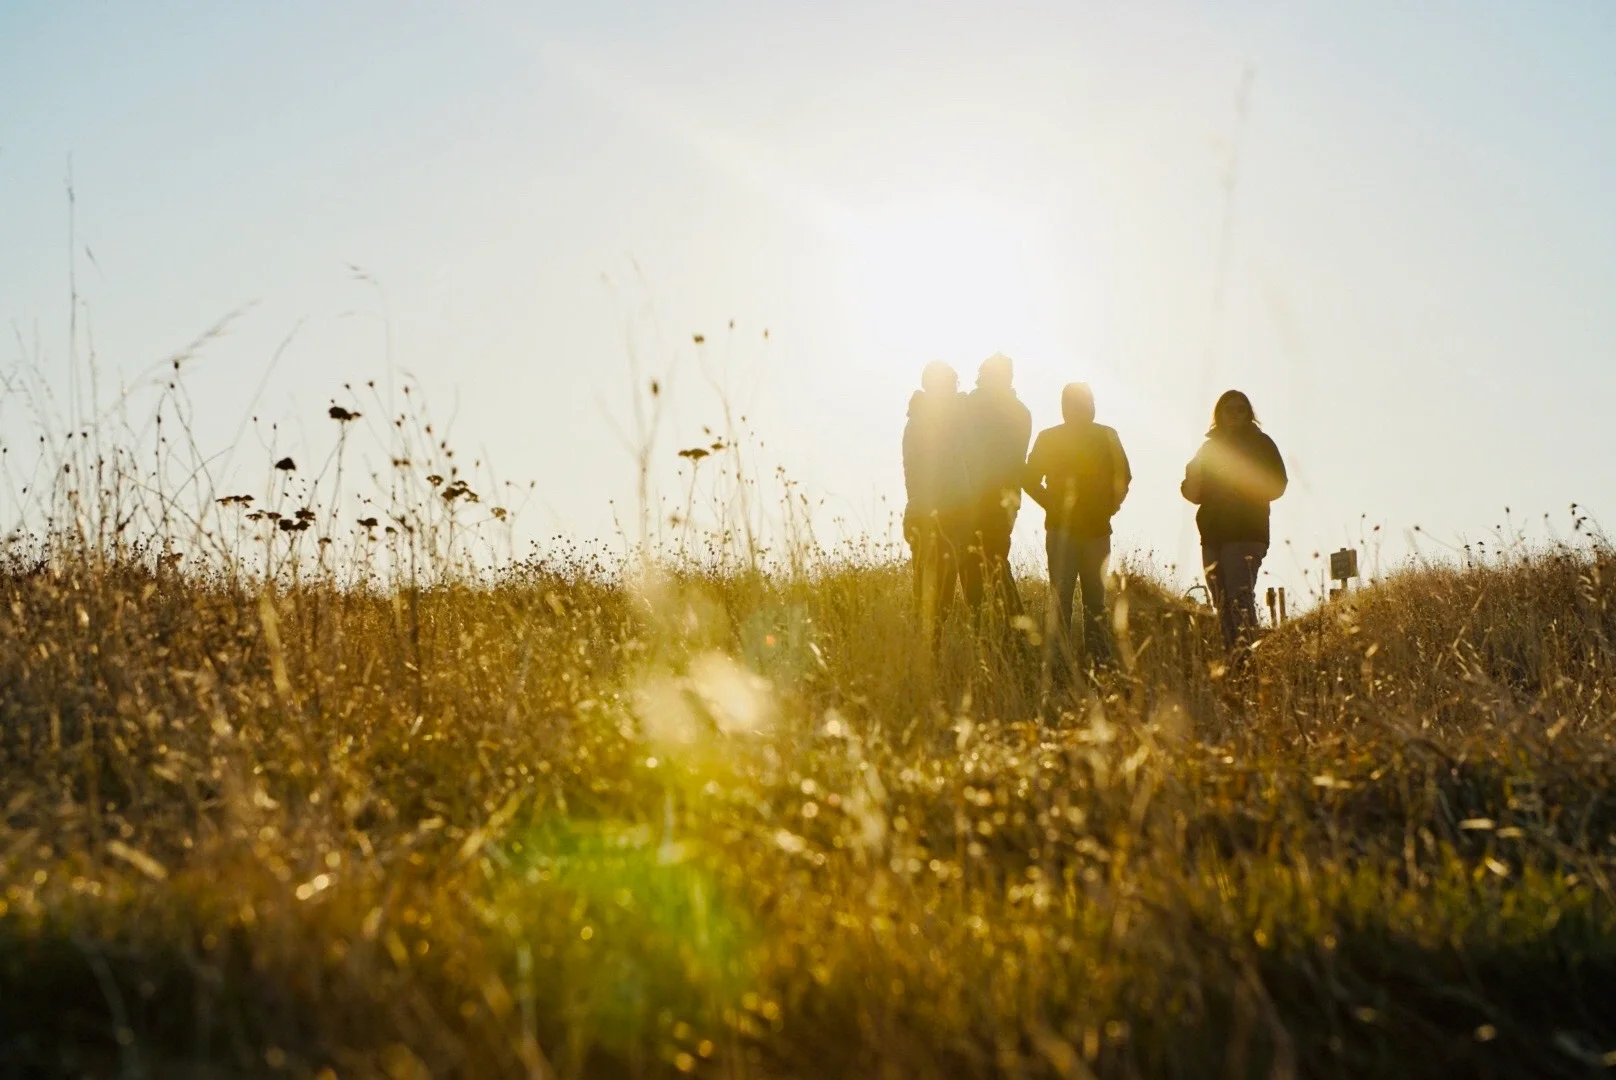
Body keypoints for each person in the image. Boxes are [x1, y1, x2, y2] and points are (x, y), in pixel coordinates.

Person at [1024, 383, 1131, 673]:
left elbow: (1124, 475)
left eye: (1084, 401)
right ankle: (1059, 662)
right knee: (1062, 598)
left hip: (1096, 529)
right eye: (1071, 402)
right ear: (1063, 406)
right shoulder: (1050, 437)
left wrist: (1111, 506)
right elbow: (1029, 477)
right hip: (1061, 529)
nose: (1078, 406)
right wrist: (1052, 505)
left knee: (1095, 600)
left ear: (1092, 404)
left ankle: (1098, 661)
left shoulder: (1106, 435)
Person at [1181, 389, 1287, 664]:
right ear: (1219, 414)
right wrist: (1194, 477)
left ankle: (1247, 663)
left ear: (1249, 413)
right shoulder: (1208, 448)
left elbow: (1278, 484)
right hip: (1213, 533)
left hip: (1246, 531)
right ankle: (1232, 660)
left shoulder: (1261, 443)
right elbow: (1192, 491)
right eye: (1230, 409)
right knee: (1221, 602)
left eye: (1242, 409)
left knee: (1239, 599)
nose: (1236, 414)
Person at [902, 361, 974, 645]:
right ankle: (925, 659)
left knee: (934, 594)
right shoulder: (929, 420)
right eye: (951, 383)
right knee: (935, 596)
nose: (955, 388)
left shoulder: (921, 416)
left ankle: (927, 656)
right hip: (935, 514)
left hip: (927, 513)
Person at [961, 353, 1032, 623]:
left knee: (983, 559)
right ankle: (1005, 627)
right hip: (1006, 497)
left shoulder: (977, 405)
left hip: (984, 495)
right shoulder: (1020, 411)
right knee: (994, 558)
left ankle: (994, 624)